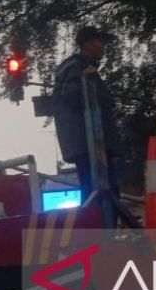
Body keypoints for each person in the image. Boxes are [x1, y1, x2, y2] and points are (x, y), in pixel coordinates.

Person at [52, 25, 121, 203]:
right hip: (89, 144)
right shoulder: (76, 67)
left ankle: (103, 227)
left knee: (99, 192)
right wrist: (85, 80)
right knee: (101, 192)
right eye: (100, 42)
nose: (103, 47)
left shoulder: (77, 67)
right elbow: (73, 98)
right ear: (89, 44)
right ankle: (103, 229)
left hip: (90, 144)